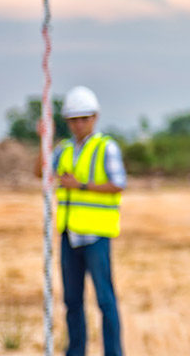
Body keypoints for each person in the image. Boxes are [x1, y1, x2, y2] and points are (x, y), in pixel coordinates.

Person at [37, 86, 125, 356]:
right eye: (73, 119)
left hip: (96, 235)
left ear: (94, 117)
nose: (78, 124)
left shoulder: (105, 147)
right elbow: (40, 173)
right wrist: (43, 141)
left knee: (104, 301)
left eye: (83, 118)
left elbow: (118, 183)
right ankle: (75, 351)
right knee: (72, 301)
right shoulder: (62, 149)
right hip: (68, 234)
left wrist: (81, 186)